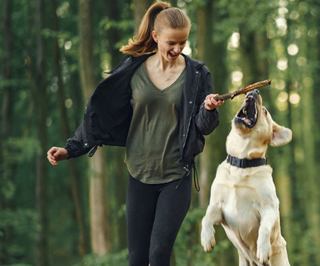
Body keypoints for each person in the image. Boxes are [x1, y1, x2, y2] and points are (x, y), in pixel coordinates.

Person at [46, 1, 224, 265]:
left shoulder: (197, 75)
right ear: (155, 37)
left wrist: (208, 109)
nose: (177, 49)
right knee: (137, 259)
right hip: (139, 175)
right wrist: (71, 148)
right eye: (171, 43)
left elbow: (204, 126)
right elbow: (100, 113)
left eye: (183, 42)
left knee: (159, 254)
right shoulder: (133, 70)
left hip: (176, 176)